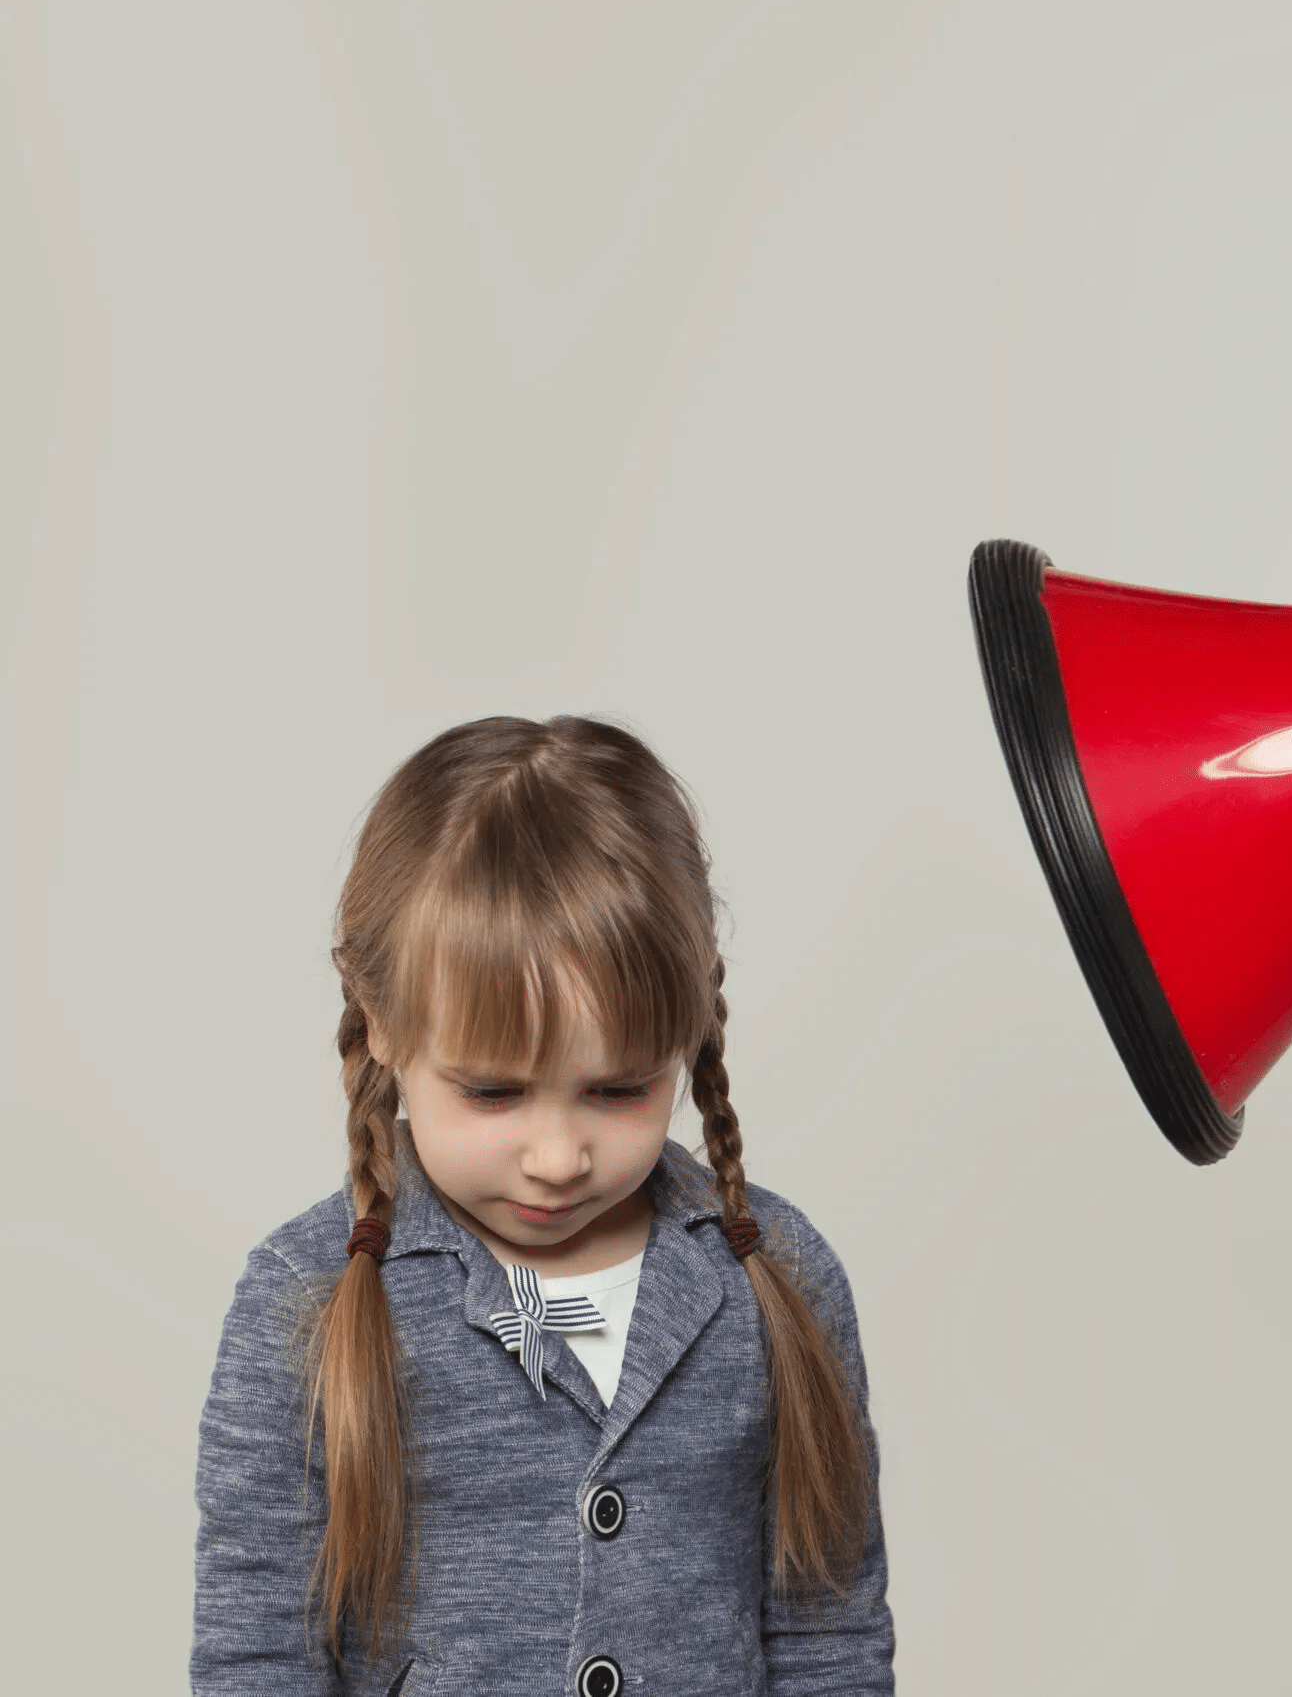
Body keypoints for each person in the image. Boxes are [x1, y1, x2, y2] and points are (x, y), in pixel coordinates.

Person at [193, 717, 892, 1696]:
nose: (558, 1158)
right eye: (493, 1092)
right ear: (382, 1022)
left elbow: (832, 1634)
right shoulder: (302, 1296)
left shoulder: (776, 1273)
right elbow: (257, 1656)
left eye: (619, 1090)